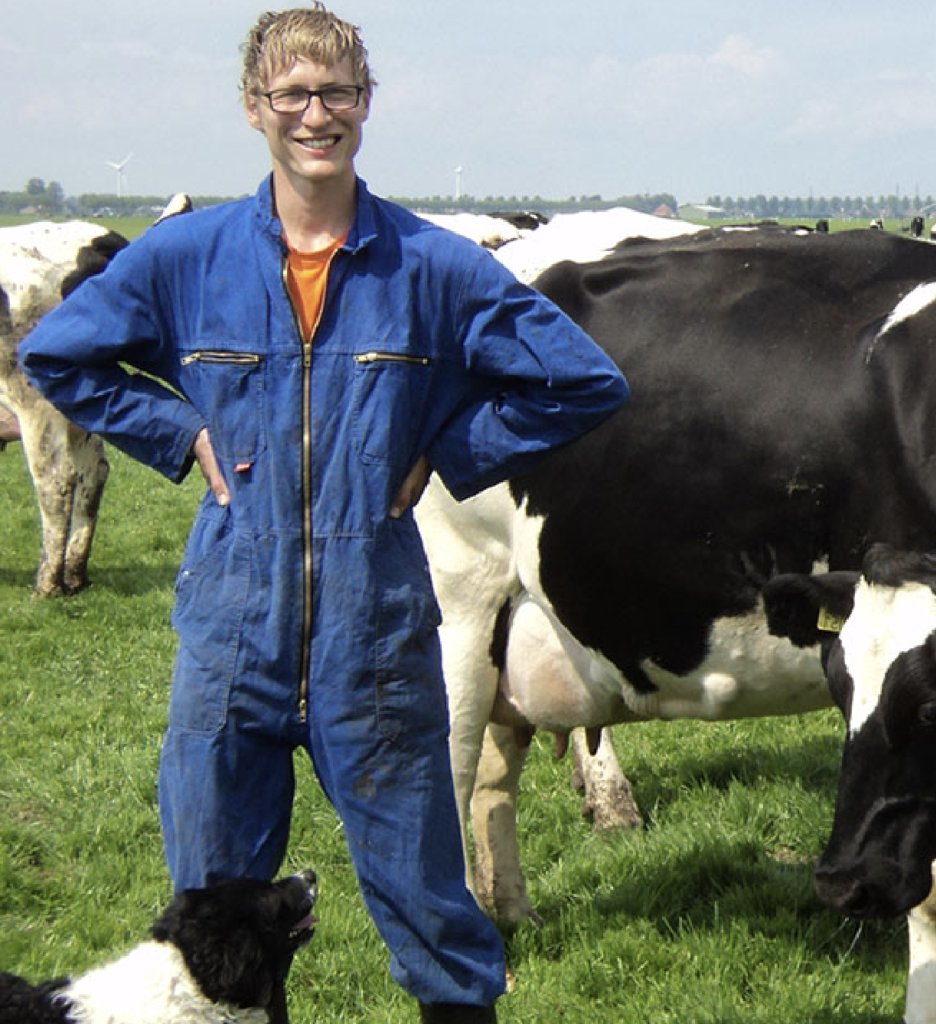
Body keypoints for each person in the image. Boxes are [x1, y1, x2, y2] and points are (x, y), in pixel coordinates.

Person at [19, 5, 628, 1022]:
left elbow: (581, 378)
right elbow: (58, 354)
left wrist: (448, 450)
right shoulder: (188, 256)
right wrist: (179, 435)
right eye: (292, 94)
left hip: (376, 640)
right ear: (255, 106)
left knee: (432, 911)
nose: (315, 114)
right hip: (229, 638)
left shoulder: (429, 265)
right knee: (213, 925)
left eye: (335, 92)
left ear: (365, 103)